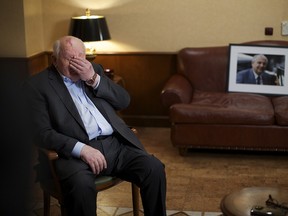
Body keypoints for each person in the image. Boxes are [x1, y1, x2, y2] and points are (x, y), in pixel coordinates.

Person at [24, 36, 167, 216]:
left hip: (114, 146)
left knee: (153, 169)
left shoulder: (94, 71)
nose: (77, 64)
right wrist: (81, 149)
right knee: (81, 187)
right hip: (75, 155)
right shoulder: (37, 85)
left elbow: (124, 101)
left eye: (80, 57)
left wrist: (93, 78)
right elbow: (41, 133)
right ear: (54, 60)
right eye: (69, 59)